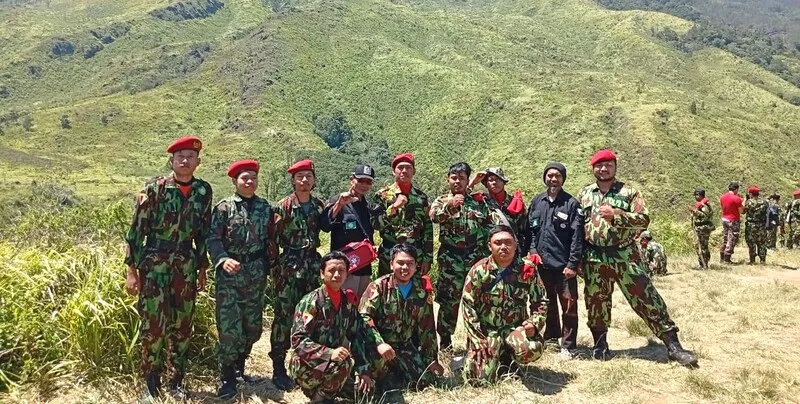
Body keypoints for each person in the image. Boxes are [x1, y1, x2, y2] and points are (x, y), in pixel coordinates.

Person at [577, 149, 697, 368]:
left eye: (608, 165)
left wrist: (618, 216)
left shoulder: (629, 192)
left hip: (624, 254)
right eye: (599, 165)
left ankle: (673, 346)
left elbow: (643, 220)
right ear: (592, 167)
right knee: (596, 302)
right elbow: (578, 227)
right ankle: (600, 345)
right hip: (594, 255)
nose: (604, 169)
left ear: (615, 167)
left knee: (646, 297)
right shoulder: (584, 193)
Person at [124, 136, 213, 399]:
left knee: (183, 327)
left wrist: (202, 269)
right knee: (153, 327)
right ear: (172, 161)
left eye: (190, 157)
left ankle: (176, 382)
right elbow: (136, 231)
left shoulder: (203, 191)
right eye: (180, 157)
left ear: (198, 162)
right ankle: (151, 383)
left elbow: (203, 234)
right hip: (154, 266)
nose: (185, 161)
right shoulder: (155, 189)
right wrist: (131, 270)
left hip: (185, 266)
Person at [208, 160, 279, 398]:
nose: (249, 182)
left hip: (256, 273)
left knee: (252, 327)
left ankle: (240, 366)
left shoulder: (265, 207)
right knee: (229, 327)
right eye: (244, 178)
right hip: (230, 275)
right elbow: (213, 239)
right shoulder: (224, 208)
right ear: (235, 181)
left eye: (253, 178)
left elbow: (271, 238)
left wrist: (271, 266)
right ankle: (227, 377)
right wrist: (222, 259)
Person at [460, 225, 548, 383]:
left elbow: (540, 300)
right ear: (489, 246)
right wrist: (477, 339)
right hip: (488, 332)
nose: (503, 247)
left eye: (508, 242)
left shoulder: (527, 269)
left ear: (515, 245)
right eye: (498, 243)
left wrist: (533, 324)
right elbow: (468, 305)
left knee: (532, 349)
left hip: (514, 329)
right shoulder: (479, 271)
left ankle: (509, 358)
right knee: (478, 379)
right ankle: (497, 358)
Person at [355, 244, 443, 398]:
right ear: (391, 264)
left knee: (426, 381)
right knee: (374, 385)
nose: (404, 267)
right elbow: (363, 317)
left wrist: (431, 360)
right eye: (400, 263)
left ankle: (394, 377)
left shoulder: (421, 289)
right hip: (378, 349)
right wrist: (379, 343)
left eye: (409, 263)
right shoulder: (378, 287)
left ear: (416, 266)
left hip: (404, 347)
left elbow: (427, 327)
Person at [269, 159, 326, 391]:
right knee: (284, 317)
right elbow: (271, 238)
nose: (304, 181)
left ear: (314, 180)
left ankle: (307, 363)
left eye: (308, 176)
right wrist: (275, 268)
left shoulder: (318, 206)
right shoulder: (283, 206)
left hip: (312, 265)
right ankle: (278, 367)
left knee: (311, 316)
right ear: (293, 180)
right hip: (289, 267)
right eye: (299, 177)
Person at [430, 162, 497, 350]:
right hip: (451, 261)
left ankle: (476, 341)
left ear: (468, 180)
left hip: (476, 259)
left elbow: (490, 224)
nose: (457, 181)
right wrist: (451, 206)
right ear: (448, 179)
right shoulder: (442, 200)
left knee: (478, 301)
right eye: (454, 178)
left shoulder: (478, 201)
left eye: (462, 178)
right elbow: (434, 216)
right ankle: (445, 342)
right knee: (448, 302)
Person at [289, 251, 367, 404]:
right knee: (343, 363)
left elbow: (357, 333)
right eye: (331, 270)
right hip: (306, 365)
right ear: (322, 273)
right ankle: (318, 399)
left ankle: (325, 391)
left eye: (341, 270)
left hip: (332, 366)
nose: (336, 275)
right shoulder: (312, 302)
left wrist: (363, 370)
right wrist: (329, 353)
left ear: (347, 274)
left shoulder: (347, 302)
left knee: (363, 393)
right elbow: (297, 340)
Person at [526, 162, 583, 359]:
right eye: (550, 175)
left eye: (557, 176)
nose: (553, 179)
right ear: (544, 178)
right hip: (542, 265)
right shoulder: (537, 201)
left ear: (563, 179)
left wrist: (572, 264)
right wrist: (533, 251)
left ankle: (569, 345)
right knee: (546, 303)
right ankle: (551, 337)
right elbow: (531, 231)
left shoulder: (571, 204)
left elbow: (577, 237)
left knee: (569, 305)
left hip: (564, 266)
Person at [370, 153, 434, 277]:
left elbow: (427, 228)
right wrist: (393, 208)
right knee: (388, 292)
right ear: (394, 172)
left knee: (414, 293)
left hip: (415, 256)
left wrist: (428, 258)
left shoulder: (421, 197)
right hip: (390, 256)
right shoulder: (382, 196)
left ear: (414, 171)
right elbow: (375, 224)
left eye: (408, 167)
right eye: (400, 168)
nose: (404, 171)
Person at [321, 164, 377, 297]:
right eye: (360, 180)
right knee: (343, 304)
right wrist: (339, 205)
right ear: (352, 179)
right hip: (344, 269)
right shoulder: (338, 201)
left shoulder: (368, 207)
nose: (364, 185)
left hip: (364, 267)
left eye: (368, 181)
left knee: (360, 306)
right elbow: (324, 226)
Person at [470, 167, 527, 251]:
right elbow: (461, 199)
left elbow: (525, 228)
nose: (494, 182)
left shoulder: (515, 202)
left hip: (512, 251)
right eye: (490, 180)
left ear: (504, 182)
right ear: (486, 184)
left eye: (498, 179)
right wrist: (472, 183)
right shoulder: (480, 201)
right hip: (488, 252)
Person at [719, 183, 744, 263]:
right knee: (732, 238)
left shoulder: (722, 197)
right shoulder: (737, 198)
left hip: (724, 219)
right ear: (736, 189)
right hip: (733, 220)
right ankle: (727, 257)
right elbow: (741, 211)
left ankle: (722, 256)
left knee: (725, 238)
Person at [744, 186, 769, 265]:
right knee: (762, 242)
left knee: (751, 242)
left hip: (751, 225)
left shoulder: (749, 202)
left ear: (751, 194)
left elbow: (743, 210)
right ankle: (762, 260)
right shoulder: (765, 202)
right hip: (761, 224)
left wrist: (745, 199)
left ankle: (752, 260)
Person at [690, 188, 714, 269]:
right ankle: (703, 263)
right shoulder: (702, 204)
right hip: (700, 228)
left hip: (703, 228)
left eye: (697, 195)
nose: (695, 197)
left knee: (702, 246)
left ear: (700, 195)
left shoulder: (704, 205)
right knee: (701, 246)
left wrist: (694, 211)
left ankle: (703, 265)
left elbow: (705, 216)